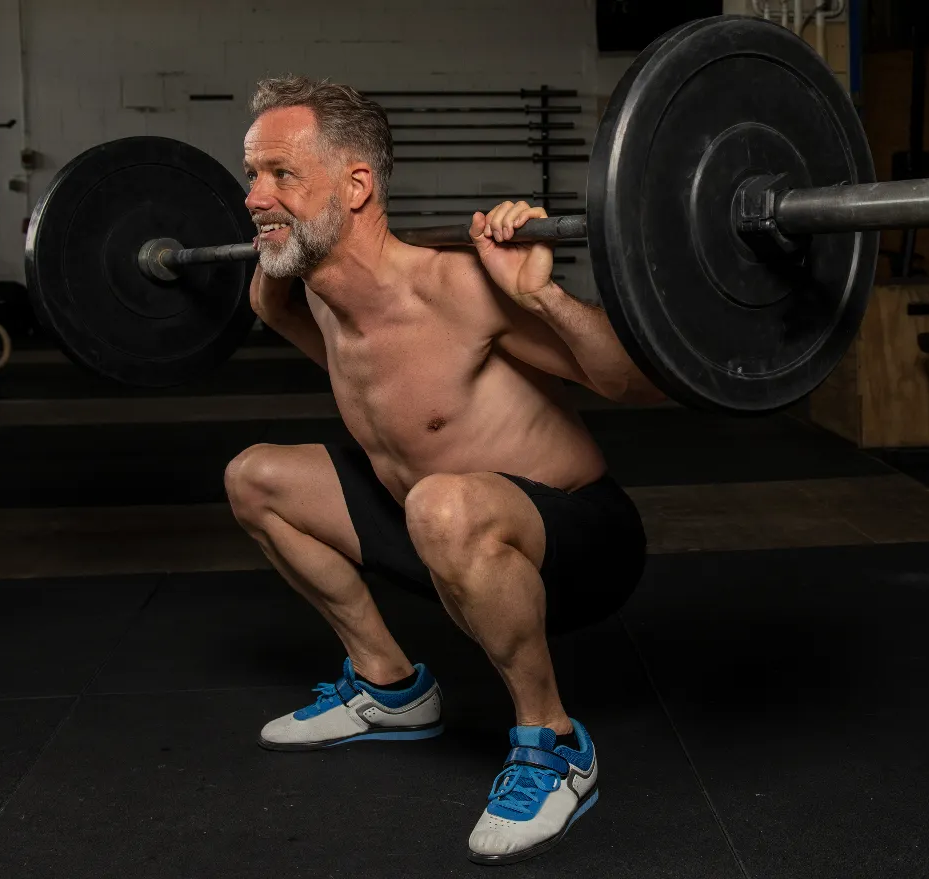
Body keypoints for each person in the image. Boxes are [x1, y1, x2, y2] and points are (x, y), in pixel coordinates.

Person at [224, 75, 662, 866]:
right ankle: (389, 685)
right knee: (255, 476)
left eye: (281, 174)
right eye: (252, 175)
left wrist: (545, 297)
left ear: (356, 185)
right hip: (431, 525)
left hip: (576, 538)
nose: (256, 196)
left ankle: (555, 745)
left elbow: (626, 380)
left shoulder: (455, 288)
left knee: (443, 504)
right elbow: (275, 306)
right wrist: (275, 250)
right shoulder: (312, 293)